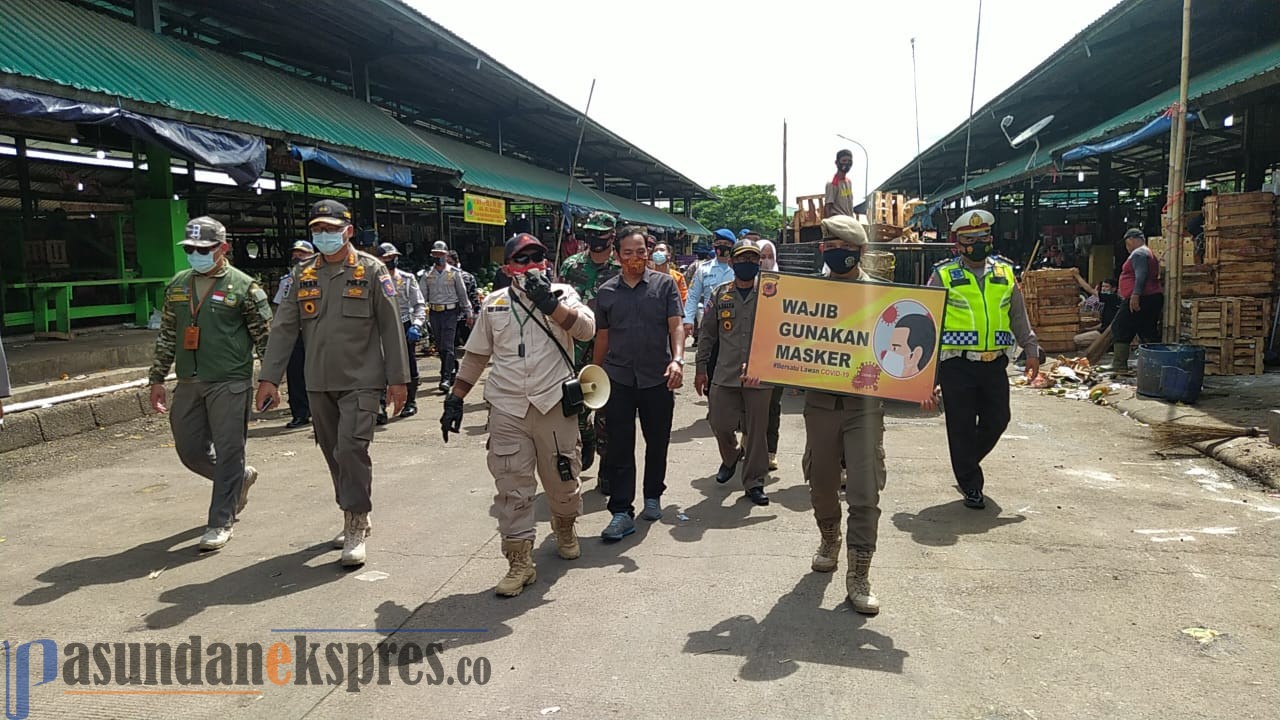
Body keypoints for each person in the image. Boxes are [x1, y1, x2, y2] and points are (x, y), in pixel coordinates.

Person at [255, 200, 410, 567]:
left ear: (348, 231)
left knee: (351, 448)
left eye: (330, 229)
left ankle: (356, 521)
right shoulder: (302, 275)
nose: (324, 236)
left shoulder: (372, 272)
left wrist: (398, 380)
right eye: (317, 230)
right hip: (318, 381)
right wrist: (268, 378)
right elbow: (284, 329)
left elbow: (391, 328)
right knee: (333, 453)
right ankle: (352, 507)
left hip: (364, 380)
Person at [443, 233, 595, 596]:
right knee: (512, 486)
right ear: (508, 267)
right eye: (522, 260)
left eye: (537, 258)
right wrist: (456, 397)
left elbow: (586, 330)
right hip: (508, 406)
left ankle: (563, 524)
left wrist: (550, 305)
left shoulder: (563, 295)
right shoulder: (494, 304)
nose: (531, 266)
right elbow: (477, 355)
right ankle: (520, 561)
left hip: (553, 403)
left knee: (562, 483)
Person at [778, 215, 887, 614]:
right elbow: (783, 340)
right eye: (829, 248)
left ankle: (860, 573)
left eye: (843, 249)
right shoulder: (809, 295)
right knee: (821, 482)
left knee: (864, 490)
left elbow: (902, 352)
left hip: (864, 406)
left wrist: (922, 386)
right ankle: (829, 537)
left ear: (859, 251)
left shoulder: (880, 296)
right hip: (820, 404)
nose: (835, 254)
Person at [147, 216, 272, 552]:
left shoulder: (245, 287)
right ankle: (239, 479)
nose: (196, 253)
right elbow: (168, 335)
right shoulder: (177, 285)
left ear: (223, 248)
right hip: (188, 379)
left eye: (204, 249)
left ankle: (220, 521)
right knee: (189, 450)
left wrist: (270, 381)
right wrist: (156, 378)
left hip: (230, 381)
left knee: (230, 450)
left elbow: (266, 339)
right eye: (190, 248)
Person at [924, 209, 1041, 511]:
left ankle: (965, 462)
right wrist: (926, 376)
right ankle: (971, 484)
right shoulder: (943, 275)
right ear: (958, 244)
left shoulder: (1004, 273)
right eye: (970, 239)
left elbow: (1018, 314)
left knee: (998, 420)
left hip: (994, 365)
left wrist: (1031, 349)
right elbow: (929, 324)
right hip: (956, 366)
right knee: (961, 426)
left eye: (983, 237)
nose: (977, 243)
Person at [593, 226, 685, 540]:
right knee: (619, 446)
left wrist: (678, 359)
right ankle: (621, 512)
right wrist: (594, 375)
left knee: (657, 440)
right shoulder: (605, 292)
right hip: (617, 378)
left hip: (657, 377)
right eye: (628, 253)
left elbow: (676, 327)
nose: (636, 258)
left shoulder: (665, 285)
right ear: (617, 256)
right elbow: (602, 337)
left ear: (648, 254)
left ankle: (652, 495)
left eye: (641, 252)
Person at [696, 238, 771, 506]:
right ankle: (730, 457)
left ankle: (754, 482)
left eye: (753, 259)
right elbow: (707, 335)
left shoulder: (770, 294)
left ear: (759, 263)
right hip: (725, 373)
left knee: (756, 430)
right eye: (741, 259)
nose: (747, 264)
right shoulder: (719, 294)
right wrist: (700, 369)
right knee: (718, 422)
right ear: (732, 260)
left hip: (760, 375)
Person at [559, 211, 621, 475]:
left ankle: (607, 465)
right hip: (574, 348)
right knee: (576, 407)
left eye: (600, 233)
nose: (594, 237)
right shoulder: (571, 265)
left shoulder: (621, 269)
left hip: (611, 350)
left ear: (612, 236)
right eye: (590, 232)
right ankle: (586, 440)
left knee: (609, 411)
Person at [376, 242, 426, 419]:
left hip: (404, 324)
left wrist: (417, 324)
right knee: (379, 366)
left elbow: (419, 304)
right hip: (380, 327)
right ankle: (380, 405)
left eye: (392, 257)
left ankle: (410, 402)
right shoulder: (373, 279)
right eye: (386, 258)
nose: (390, 261)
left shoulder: (407, 278)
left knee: (408, 364)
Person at [421, 240, 475, 394]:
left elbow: (462, 294)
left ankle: (445, 378)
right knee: (440, 345)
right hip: (434, 313)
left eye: (441, 254)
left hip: (450, 312)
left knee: (448, 345)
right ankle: (450, 369)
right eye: (435, 254)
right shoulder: (426, 275)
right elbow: (422, 297)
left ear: (446, 255)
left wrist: (469, 312)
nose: (438, 257)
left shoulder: (454, 273)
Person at [273, 240, 315, 429]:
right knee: (295, 374)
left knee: (319, 372)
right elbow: (281, 308)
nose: (297, 257)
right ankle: (300, 413)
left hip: (316, 331)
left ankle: (321, 410)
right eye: (295, 254)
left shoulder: (323, 277)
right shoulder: (287, 281)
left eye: (302, 253)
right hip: (295, 334)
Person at [1111, 228, 1164, 374]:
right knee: (1146, 330)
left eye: (1127, 244)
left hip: (1143, 297)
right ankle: (1156, 365)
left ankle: (1119, 365)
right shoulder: (1146, 252)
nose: (1127, 248)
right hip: (1151, 297)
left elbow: (1141, 275)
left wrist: (1135, 295)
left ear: (1132, 240)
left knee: (1120, 327)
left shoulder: (1139, 253)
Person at [684, 229, 737, 353]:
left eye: (726, 243)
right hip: (709, 322)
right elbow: (693, 296)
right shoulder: (704, 269)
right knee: (706, 357)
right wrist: (688, 320)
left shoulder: (738, 268)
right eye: (719, 242)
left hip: (734, 322)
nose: (723, 246)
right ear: (714, 245)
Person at [757, 239, 783, 470]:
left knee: (772, 405)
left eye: (768, 256)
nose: (764, 261)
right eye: (760, 256)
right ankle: (750, 445)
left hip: (776, 357)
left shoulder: (785, 285)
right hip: (750, 356)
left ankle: (771, 451)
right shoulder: (745, 285)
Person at [885, 314, 936, 379]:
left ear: (916, 354)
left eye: (895, 348)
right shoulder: (886, 386)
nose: (889, 354)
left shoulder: (925, 386)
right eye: (890, 348)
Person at [450, 249, 481, 348]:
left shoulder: (467, 277)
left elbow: (473, 295)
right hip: (448, 315)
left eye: (450, 262)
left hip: (465, 315)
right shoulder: (441, 279)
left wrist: (476, 312)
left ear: (456, 262)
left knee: (468, 342)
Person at [824, 149, 856, 218]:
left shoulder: (849, 182)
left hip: (849, 220)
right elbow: (828, 207)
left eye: (849, 161)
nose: (847, 163)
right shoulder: (832, 183)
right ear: (837, 163)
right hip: (838, 221)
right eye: (844, 161)